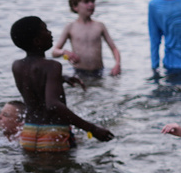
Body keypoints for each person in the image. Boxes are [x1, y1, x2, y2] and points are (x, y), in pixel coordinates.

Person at [10, 16, 113, 152]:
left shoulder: (17, 66)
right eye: (45, 30)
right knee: (62, 172)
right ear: (37, 41)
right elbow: (53, 105)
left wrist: (60, 78)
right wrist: (92, 128)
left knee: (36, 171)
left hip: (29, 131)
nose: (50, 32)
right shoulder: (53, 66)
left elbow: (35, 81)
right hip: (53, 133)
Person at [51, 0, 122, 76]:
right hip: (79, 71)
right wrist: (64, 53)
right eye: (86, 2)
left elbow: (114, 48)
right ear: (75, 6)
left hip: (99, 71)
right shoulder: (70, 27)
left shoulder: (99, 26)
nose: (91, 4)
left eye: (92, 1)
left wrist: (117, 64)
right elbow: (54, 52)